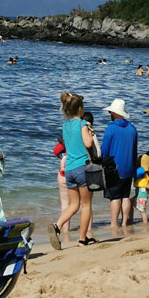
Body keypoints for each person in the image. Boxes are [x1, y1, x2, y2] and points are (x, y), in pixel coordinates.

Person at [48, 92, 95, 249]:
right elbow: (88, 144)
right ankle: (82, 239)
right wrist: (90, 131)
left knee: (73, 205)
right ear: (80, 109)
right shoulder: (82, 124)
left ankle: (57, 225)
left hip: (69, 169)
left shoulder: (65, 126)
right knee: (86, 205)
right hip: (82, 166)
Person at [101, 98, 138, 229]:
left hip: (114, 168)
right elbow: (134, 150)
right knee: (125, 196)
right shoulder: (133, 129)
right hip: (129, 167)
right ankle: (124, 223)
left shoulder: (111, 129)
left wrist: (102, 162)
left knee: (115, 197)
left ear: (114, 113)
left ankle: (113, 224)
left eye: (111, 112)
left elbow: (104, 150)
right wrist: (134, 167)